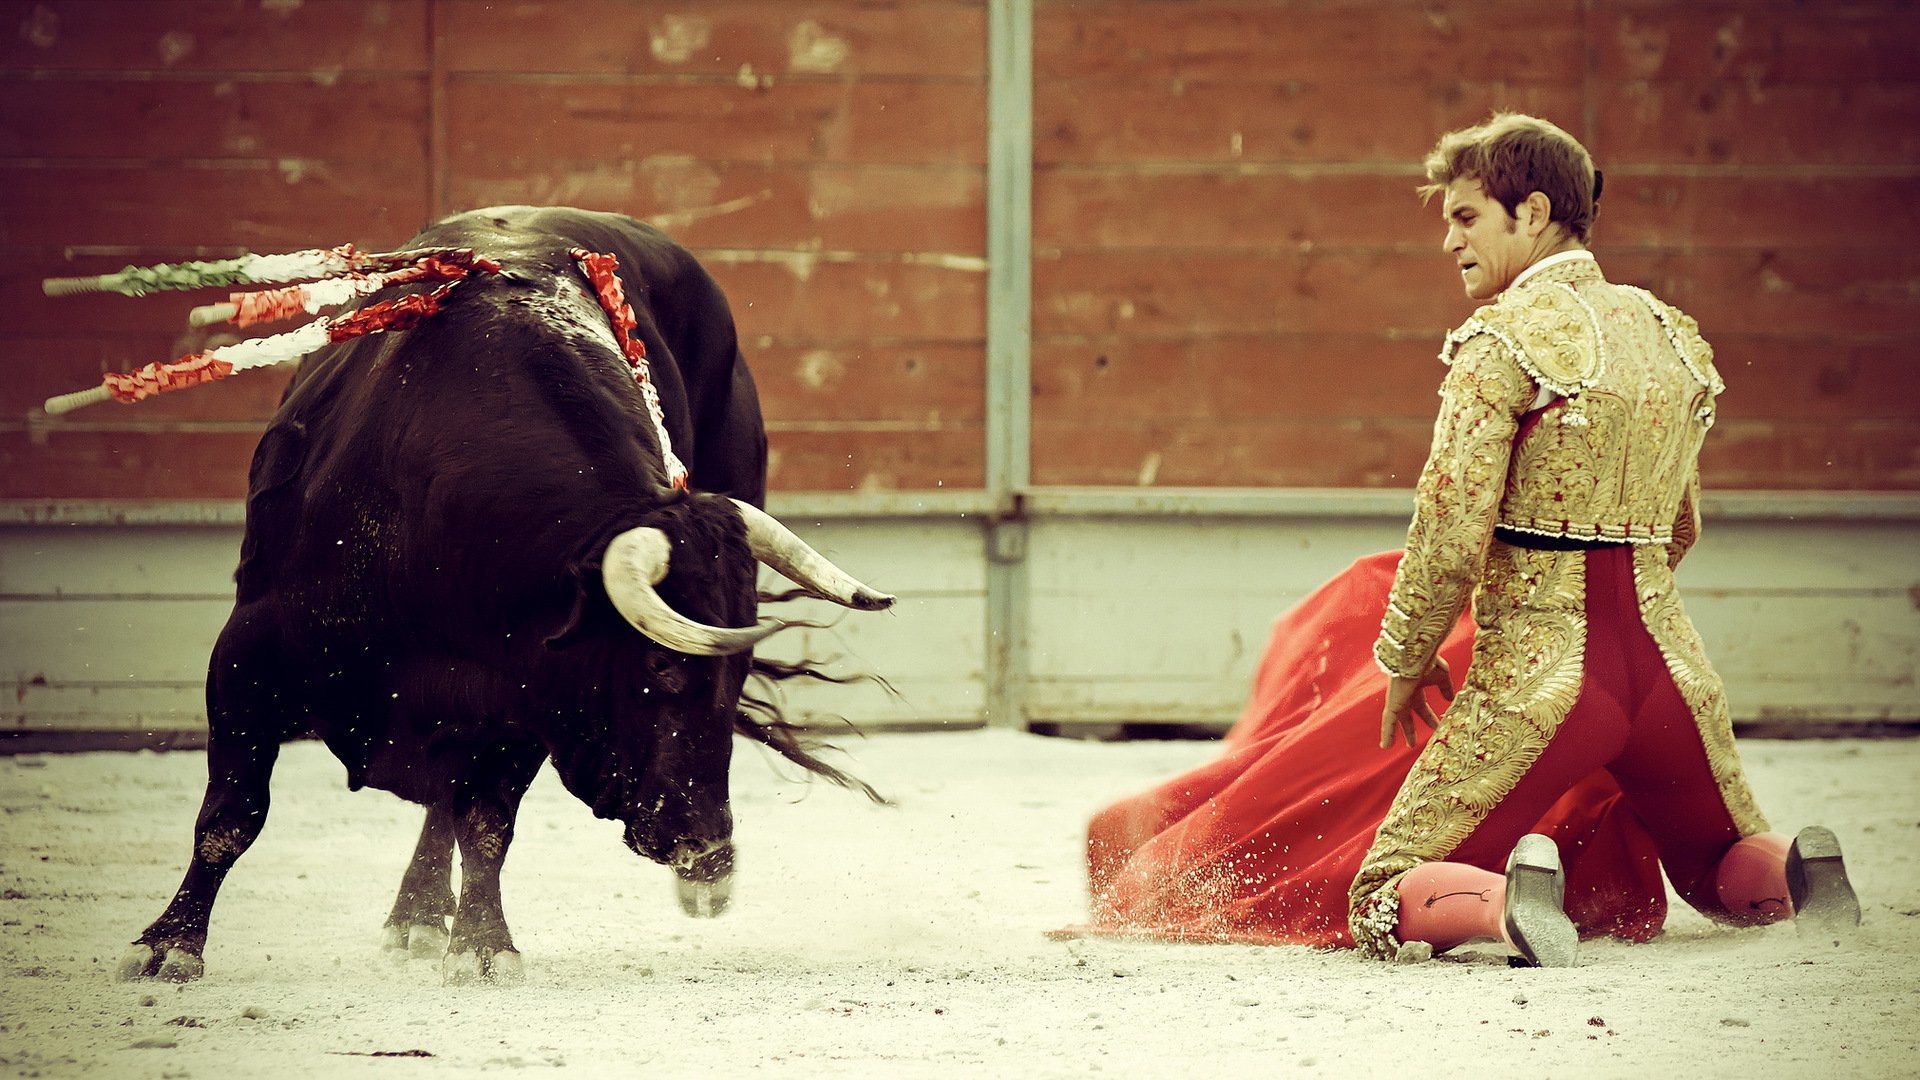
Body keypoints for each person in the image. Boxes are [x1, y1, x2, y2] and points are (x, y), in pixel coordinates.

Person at [1075, 114, 1863, 966]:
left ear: (1533, 213)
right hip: (1673, 666)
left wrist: (1408, 655)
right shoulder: (1669, 335)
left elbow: (1451, 527)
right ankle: (1796, 875)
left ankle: (1501, 905)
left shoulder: (1503, 338)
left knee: (1381, 890)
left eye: (1465, 217)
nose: (1449, 240)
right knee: (1714, 862)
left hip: (1546, 679)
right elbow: (1681, 524)